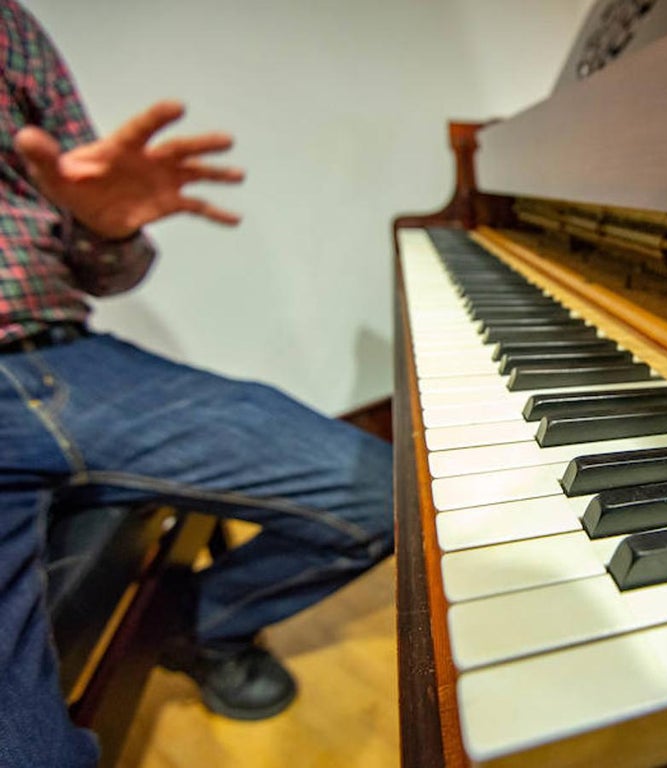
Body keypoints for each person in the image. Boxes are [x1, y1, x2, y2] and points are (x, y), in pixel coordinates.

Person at [0, 2, 394, 765]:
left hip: (66, 358)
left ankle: (206, 624)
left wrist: (107, 229)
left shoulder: (10, 23)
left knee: (383, 493)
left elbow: (104, 256)